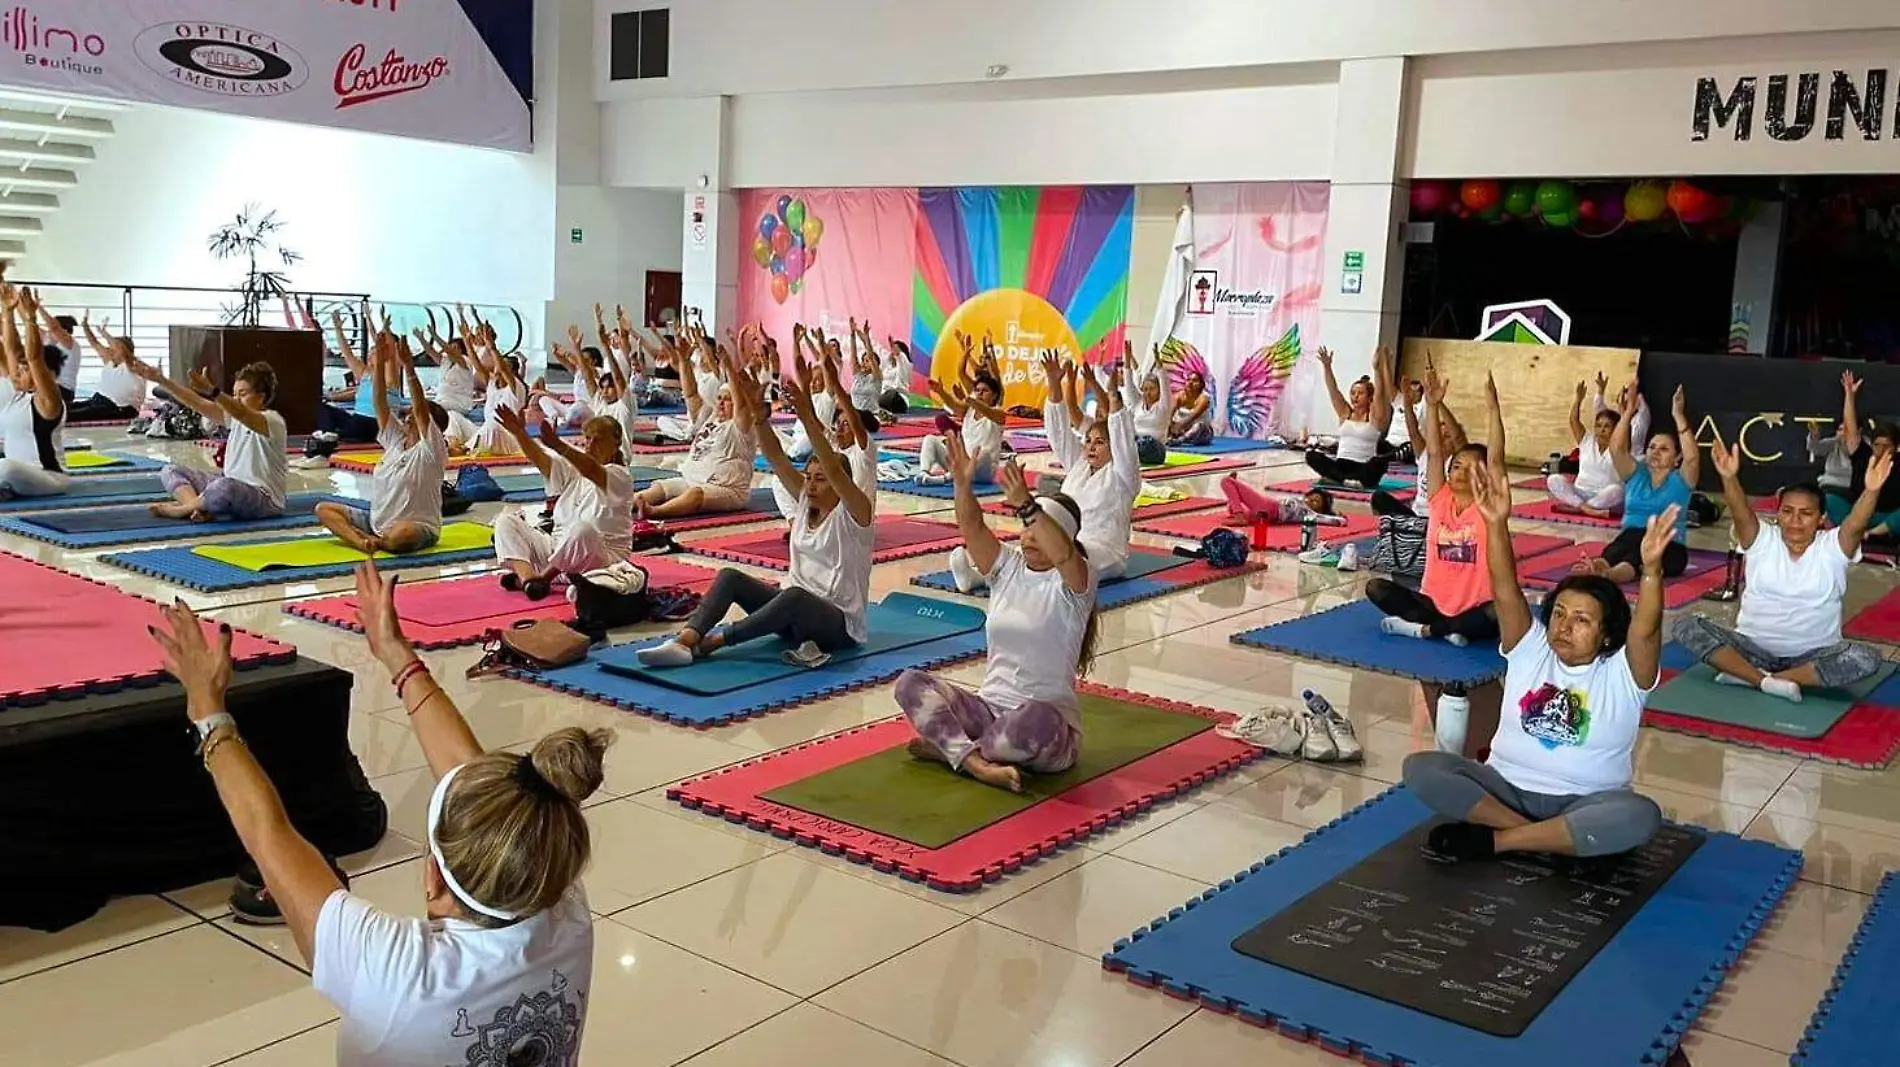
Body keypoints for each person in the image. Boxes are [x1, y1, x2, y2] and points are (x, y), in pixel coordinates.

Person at [147, 563, 608, 1064]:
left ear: (434, 882)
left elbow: (268, 833)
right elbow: (481, 789)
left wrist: (205, 706)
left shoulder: (394, 969)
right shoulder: (564, 906)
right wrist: (395, 654)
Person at [1400, 464, 1668, 861]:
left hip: (1586, 803)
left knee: (1639, 815)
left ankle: (1499, 840)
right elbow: (1505, 586)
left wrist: (1652, 571)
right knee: (1422, 768)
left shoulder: (1624, 673)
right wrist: (1496, 523)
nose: (1563, 626)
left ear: (1607, 633)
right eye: (1559, 613)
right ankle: (1544, 837)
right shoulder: (1532, 648)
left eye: (1581, 620)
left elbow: (1646, 630)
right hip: (1503, 790)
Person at [640, 347, 876, 669]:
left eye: (820, 479)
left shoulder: (856, 515)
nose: (811, 484)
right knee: (729, 577)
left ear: (840, 485)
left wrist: (806, 414)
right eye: (809, 477)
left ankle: (715, 642)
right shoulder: (807, 501)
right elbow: (776, 458)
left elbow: (835, 470)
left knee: (793, 597)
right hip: (791, 616)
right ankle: (685, 640)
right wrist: (758, 415)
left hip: (836, 626)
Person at [896, 435, 1099, 793]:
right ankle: (974, 762)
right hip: (988, 712)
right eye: (1025, 529)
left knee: (1031, 720)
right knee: (910, 683)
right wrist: (961, 484)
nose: (1028, 536)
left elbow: (1065, 556)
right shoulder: (1008, 568)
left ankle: (952, 748)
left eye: (1038, 530)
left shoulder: (1074, 583)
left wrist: (1027, 506)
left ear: (1060, 535)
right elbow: (972, 528)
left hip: (1048, 728)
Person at [1672, 436, 1885, 704]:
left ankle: (1754, 677)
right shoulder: (1763, 539)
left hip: (1813, 655)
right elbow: (1740, 513)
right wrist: (1729, 477)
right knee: (1686, 625)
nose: (1795, 521)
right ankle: (1765, 680)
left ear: (1821, 519)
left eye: (1805, 513)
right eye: (1787, 511)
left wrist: (1872, 490)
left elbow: (1855, 524)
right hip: (1750, 648)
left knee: (1866, 658)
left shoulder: (1832, 547)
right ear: (1778, 513)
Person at [1364, 366, 1509, 645]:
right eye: (1456, 466)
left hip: (1477, 605)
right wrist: (1431, 405)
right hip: (1434, 602)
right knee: (1377, 588)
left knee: (1498, 611)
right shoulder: (1439, 499)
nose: (1460, 472)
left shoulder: (1489, 507)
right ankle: (1451, 628)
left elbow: (1497, 459)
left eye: (1471, 467)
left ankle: (1427, 630)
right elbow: (1433, 453)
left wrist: (1493, 410)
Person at [315, 332, 448, 555]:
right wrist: (378, 367)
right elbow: (380, 403)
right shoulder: (396, 440)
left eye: (412, 416)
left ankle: (375, 541)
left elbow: (421, 410)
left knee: (400, 536)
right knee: (324, 509)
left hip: (416, 526)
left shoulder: (432, 449)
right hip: (377, 522)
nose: (407, 417)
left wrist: (409, 368)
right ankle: (364, 541)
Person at [491, 404, 634, 600]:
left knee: (583, 530)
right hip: (558, 554)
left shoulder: (620, 477)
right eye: (588, 439)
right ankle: (529, 580)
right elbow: (542, 460)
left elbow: (592, 470)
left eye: (599, 440)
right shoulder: (575, 473)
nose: (591, 445)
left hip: (600, 562)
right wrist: (519, 432)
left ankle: (544, 578)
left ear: (616, 444)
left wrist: (558, 445)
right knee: (505, 521)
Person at [131, 355, 288, 521]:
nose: (236, 400)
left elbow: (241, 412)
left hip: (264, 499)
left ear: (261, 397)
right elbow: (197, 403)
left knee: (223, 487)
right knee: (170, 471)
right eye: (234, 394)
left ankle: (184, 509)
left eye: (242, 394)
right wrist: (161, 379)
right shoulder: (233, 417)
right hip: (229, 485)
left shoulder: (272, 421)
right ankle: (196, 509)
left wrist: (213, 392)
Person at [1571, 383, 1700, 584]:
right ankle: (1597, 568)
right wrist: (1628, 412)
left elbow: (1692, 459)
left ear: (1677, 458)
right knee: (1615, 551)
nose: (1656, 451)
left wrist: (1678, 415)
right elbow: (1616, 449)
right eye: (1652, 447)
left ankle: (1607, 577)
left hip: (1669, 545)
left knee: (1635, 556)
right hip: (1630, 537)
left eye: (1664, 449)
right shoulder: (1636, 473)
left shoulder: (1681, 480)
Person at [637, 330, 757, 521]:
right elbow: (691, 395)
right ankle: (626, 505)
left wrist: (728, 369)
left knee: (695, 496)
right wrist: (684, 361)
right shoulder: (711, 418)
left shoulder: (742, 426)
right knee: (658, 488)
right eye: (719, 398)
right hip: (691, 479)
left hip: (725, 488)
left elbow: (742, 405)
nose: (720, 403)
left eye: (727, 400)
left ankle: (655, 513)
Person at [0, 285, 69, 499]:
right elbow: (12, 349)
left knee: (6, 467)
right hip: (19, 477)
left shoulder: (48, 400)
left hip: (48, 478)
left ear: (45, 373)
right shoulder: (19, 395)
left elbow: (34, 357)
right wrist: (8, 311)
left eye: (23, 371)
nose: (16, 374)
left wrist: (30, 318)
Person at [919, 332, 1008, 483]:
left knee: (983, 454)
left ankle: (948, 478)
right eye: (977, 391)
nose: (979, 394)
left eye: (984, 391)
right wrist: (941, 392)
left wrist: (970, 399)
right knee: (930, 440)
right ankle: (924, 473)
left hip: (982, 472)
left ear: (994, 395)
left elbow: (988, 405)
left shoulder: (997, 413)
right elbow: (956, 399)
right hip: (961, 463)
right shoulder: (969, 408)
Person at [1304, 345, 1394, 488]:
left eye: (1360, 393)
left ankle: (1342, 480)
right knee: (1311, 455)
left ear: (1369, 397)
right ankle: (1342, 480)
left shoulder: (1374, 417)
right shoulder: (1345, 413)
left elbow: (1380, 395)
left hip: (1363, 467)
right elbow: (1333, 390)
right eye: (1353, 393)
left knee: (1380, 463)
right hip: (1341, 465)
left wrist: (1377, 369)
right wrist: (1327, 367)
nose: (1355, 396)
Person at [1826, 371, 1900, 543]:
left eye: (1886, 446)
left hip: (1887, 520)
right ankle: (1853, 530)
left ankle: (1871, 534)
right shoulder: (1863, 455)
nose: (1881, 450)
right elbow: (1851, 429)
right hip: (1858, 515)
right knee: (1830, 500)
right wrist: (1849, 396)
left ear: (1896, 447)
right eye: (1877, 445)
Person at [317, 307, 405, 445]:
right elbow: (347, 354)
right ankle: (329, 435)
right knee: (324, 410)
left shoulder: (390, 376)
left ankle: (334, 437)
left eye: (374, 350)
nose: (370, 353)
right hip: (358, 420)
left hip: (377, 424)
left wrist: (385, 329)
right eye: (370, 351)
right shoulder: (364, 373)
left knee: (348, 428)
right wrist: (338, 329)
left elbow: (391, 352)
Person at [1547, 373, 1626, 518]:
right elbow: (1573, 421)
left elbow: (1626, 427)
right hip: (1580, 492)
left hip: (1604, 496)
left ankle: (1582, 508)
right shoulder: (1587, 440)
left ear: (1616, 429)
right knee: (1554, 479)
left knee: (1617, 490)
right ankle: (1587, 509)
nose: (1601, 430)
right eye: (1598, 426)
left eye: (1607, 426)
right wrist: (1578, 399)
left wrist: (1625, 411)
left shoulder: (1619, 446)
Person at [69, 312, 147, 421]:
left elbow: (121, 349)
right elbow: (94, 343)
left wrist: (103, 333)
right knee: (64, 409)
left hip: (119, 408)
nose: (110, 349)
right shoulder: (110, 361)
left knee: (70, 416)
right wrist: (85, 326)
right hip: (99, 400)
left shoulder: (133, 365)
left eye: (113, 348)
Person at [1218, 475, 1341, 526]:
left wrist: (1340, 519)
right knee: (1231, 508)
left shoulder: (1309, 514)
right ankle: (1236, 503)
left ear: (1319, 510)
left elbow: (1327, 520)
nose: (1311, 501)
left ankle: (1239, 515)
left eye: (1316, 502)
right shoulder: (1301, 502)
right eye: (1313, 497)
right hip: (1263, 517)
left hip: (1268, 507)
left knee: (1226, 481)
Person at [1130, 350, 1172, 466]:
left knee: (1145, 443)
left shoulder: (1164, 406)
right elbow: (1129, 385)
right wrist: (1127, 364)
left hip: (1155, 450)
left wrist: (1160, 367)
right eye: (1145, 389)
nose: (1147, 393)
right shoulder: (1138, 404)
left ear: (1159, 391)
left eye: (1152, 389)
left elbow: (1165, 386)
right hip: (1137, 446)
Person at [1167, 370, 1214, 447]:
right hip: (1181, 430)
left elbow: (1193, 416)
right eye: (1188, 380)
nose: (1190, 383)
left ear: (1201, 385)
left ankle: (1179, 440)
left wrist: (1179, 427)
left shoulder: (1204, 398)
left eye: (1195, 380)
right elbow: (1169, 413)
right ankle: (1171, 438)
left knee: (1200, 425)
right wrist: (1170, 425)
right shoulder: (1179, 396)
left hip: (1200, 433)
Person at [1809, 420, 1852, 495]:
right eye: (1840, 430)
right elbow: (1815, 448)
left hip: (1854, 486)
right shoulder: (1833, 443)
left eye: (1847, 430)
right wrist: (1814, 436)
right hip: (1831, 485)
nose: (1843, 433)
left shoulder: (1865, 444)